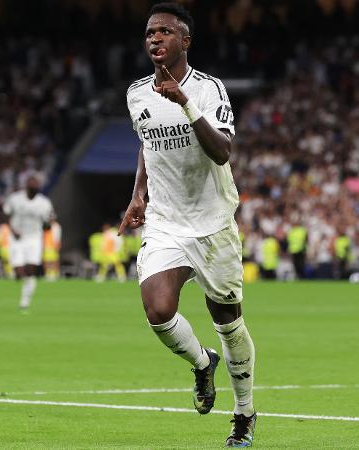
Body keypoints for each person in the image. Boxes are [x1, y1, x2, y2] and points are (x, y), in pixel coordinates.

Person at [118, 3, 256, 447]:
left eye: (164, 31)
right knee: (158, 311)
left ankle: (244, 413)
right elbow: (146, 145)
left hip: (213, 222)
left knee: (228, 322)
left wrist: (185, 104)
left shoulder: (209, 89)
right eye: (149, 33)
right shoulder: (136, 93)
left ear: (185, 40)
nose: (154, 39)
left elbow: (222, 152)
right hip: (165, 221)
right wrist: (138, 194)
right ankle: (201, 364)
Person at [2, 175, 54, 311]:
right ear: (26, 186)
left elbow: (47, 225)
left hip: (34, 238)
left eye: (36, 186)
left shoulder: (44, 203)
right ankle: (23, 281)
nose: (33, 188)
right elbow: (5, 214)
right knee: (19, 272)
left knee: (31, 270)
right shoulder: (15, 199)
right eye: (31, 185)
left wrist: (48, 223)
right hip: (17, 238)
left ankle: (24, 301)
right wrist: (12, 230)